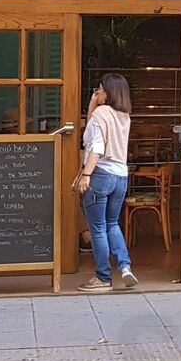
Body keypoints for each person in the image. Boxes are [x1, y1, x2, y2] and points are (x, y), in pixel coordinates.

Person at [75, 73, 136, 292]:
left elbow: (95, 146)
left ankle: (103, 277)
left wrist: (86, 174)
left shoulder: (102, 113)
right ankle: (125, 266)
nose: (97, 92)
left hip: (100, 174)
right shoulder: (124, 116)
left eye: (100, 89)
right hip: (120, 176)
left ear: (108, 93)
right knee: (112, 224)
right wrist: (93, 103)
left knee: (98, 228)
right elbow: (91, 132)